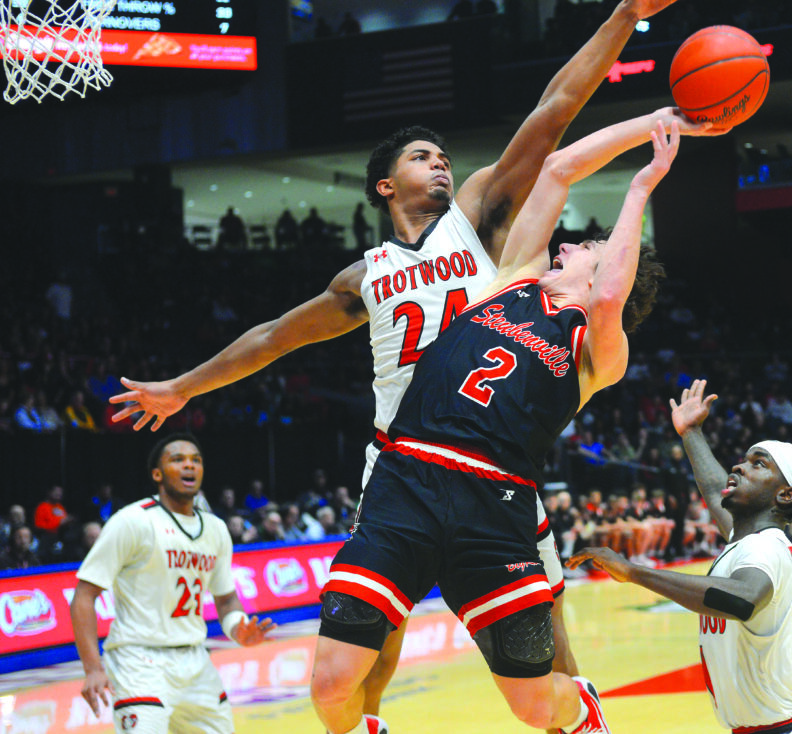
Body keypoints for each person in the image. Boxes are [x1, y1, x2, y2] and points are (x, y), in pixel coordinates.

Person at [108, 0, 703, 730]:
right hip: (402, 457)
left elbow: (553, 114)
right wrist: (183, 386)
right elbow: (272, 339)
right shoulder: (365, 276)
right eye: (421, 156)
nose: (440, 160)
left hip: (494, 456)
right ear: (385, 185)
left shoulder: (480, 223)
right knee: (370, 646)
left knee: (546, 637)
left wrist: (624, 17)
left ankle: (574, 718)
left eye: (442, 154)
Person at [305, 111, 682, 734]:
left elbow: (613, 293)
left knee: (534, 707)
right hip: (406, 479)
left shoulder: (598, 353)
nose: (568, 245)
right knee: (330, 685)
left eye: (586, 248)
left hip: (494, 505)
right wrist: (654, 122)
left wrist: (642, 186)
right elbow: (557, 168)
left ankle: (580, 707)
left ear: (603, 271)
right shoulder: (512, 279)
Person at [566, 378, 792, 734]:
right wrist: (691, 433)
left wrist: (634, 572)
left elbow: (744, 598)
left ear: (785, 494)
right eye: (744, 460)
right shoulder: (747, 541)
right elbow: (714, 488)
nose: (739, 467)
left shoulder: (767, 547)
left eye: (758, 464)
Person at [70, 434, 275, 732]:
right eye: (177, 460)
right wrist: (92, 668)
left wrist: (237, 627)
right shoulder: (132, 521)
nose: (189, 466)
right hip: (138, 660)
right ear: (157, 474)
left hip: (195, 658)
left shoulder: (216, 529)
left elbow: (226, 599)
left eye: (196, 460)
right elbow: (84, 595)